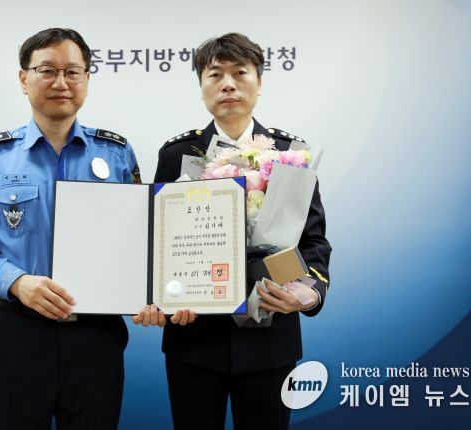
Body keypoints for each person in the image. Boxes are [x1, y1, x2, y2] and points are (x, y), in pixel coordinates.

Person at [134, 33, 332, 429]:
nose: (228, 84)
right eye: (215, 75)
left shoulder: (290, 153)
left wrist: (309, 293)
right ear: (201, 87)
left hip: (270, 338)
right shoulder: (177, 154)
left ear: (259, 82)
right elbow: (159, 240)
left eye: (240, 73)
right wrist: (159, 297)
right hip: (194, 339)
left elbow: (313, 240)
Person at [0, 28, 141, 430]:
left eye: (72, 71)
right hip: (18, 332)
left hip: (96, 337)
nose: (60, 82)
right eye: (47, 70)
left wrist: (149, 293)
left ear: (87, 78)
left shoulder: (117, 154)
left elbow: (139, 237)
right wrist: (17, 282)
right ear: (24, 79)